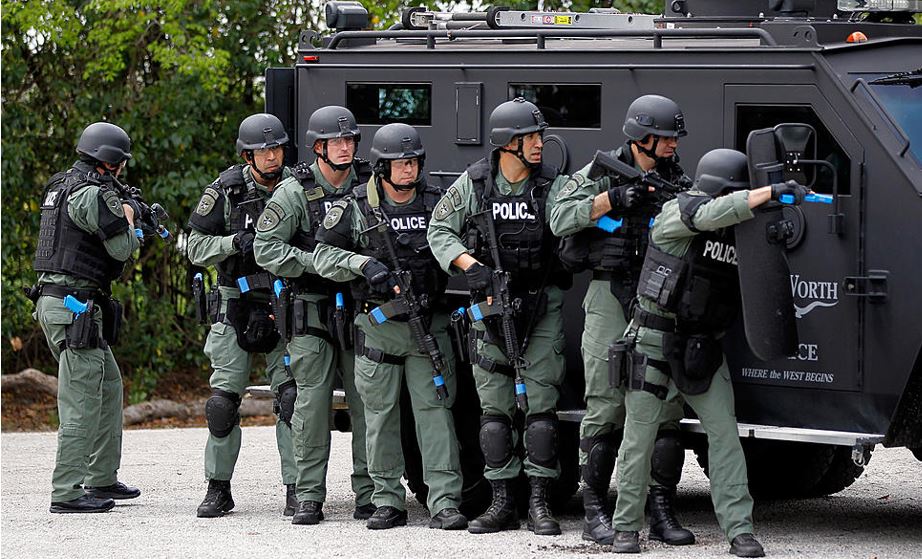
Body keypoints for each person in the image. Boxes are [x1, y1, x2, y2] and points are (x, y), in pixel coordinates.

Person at [611, 148, 809, 557]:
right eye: (738, 193)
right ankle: (625, 527)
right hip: (653, 338)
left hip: (701, 346)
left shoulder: (740, 228)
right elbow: (709, 215)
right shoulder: (678, 212)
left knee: (724, 436)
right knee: (639, 438)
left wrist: (775, 208)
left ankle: (740, 531)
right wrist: (767, 194)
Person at [549, 95, 694, 546]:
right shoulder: (600, 173)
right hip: (608, 294)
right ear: (641, 138)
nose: (672, 144)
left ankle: (662, 510)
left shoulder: (678, 180)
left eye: (674, 137)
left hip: (657, 296)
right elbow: (558, 218)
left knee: (665, 407)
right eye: (665, 137)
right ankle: (595, 510)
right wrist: (611, 199)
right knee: (606, 405)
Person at [427, 98, 570, 536]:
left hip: (540, 308)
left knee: (540, 411)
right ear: (509, 143)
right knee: (494, 414)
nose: (540, 143)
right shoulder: (474, 184)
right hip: (489, 308)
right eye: (531, 137)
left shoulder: (552, 184)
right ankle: (502, 502)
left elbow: (577, 219)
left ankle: (540, 503)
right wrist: (470, 266)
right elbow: (439, 230)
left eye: (540, 136)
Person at [313, 123, 466, 530]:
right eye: (400, 163)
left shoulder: (437, 203)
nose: (408, 169)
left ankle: (444, 501)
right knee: (379, 417)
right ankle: (386, 500)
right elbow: (323, 255)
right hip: (379, 325)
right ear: (382, 167)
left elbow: (462, 241)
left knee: (436, 415)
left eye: (413, 162)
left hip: (427, 326)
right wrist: (362, 264)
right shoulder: (355, 207)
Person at [253, 105, 374, 525]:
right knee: (310, 404)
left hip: (361, 306)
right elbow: (265, 248)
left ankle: (370, 493)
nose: (344, 147)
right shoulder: (294, 192)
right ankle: (308, 495)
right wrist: (316, 261)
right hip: (311, 307)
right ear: (318, 147)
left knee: (368, 403)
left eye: (349, 140)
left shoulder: (368, 183)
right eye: (335, 142)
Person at [186, 113, 297, 518]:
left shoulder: (298, 187)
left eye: (277, 149)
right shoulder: (226, 190)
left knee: (291, 398)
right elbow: (194, 247)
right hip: (235, 301)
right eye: (263, 151)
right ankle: (218, 488)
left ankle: (297, 488)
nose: (272, 157)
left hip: (284, 301)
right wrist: (233, 242)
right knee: (222, 403)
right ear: (247, 155)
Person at [30, 121, 142, 513]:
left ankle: (101, 477)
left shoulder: (62, 185)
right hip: (73, 308)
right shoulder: (93, 194)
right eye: (121, 162)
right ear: (111, 162)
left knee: (109, 385)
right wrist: (129, 217)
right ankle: (66, 491)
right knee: (80, 400)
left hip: (64, 303)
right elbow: (122, 249)